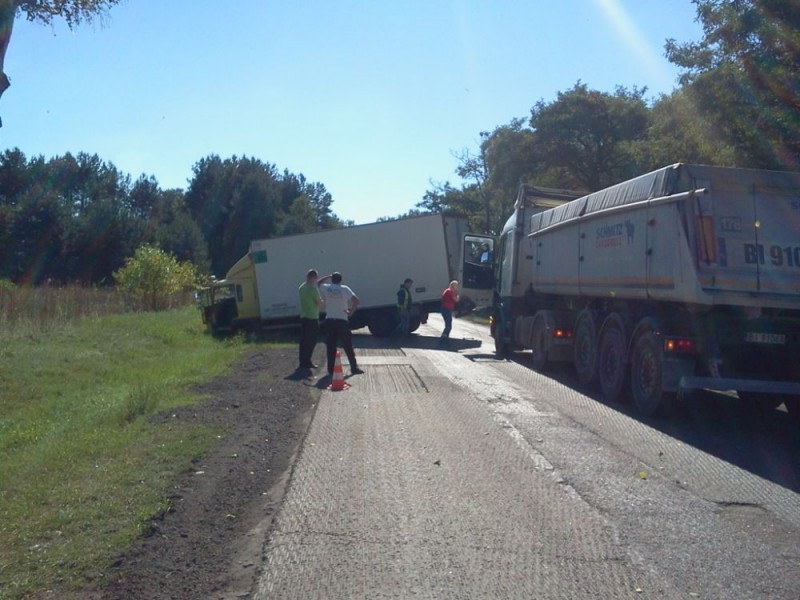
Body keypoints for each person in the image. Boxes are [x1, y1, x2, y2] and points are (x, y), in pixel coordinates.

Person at [318, 272, 363, 376]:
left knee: (331, 346)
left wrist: (328, 276)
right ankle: (354, 367)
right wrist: (350, 312)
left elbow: (318, 283)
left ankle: (331, 370)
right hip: (342, 320)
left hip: (330, 320)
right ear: (340, 280)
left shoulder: (327, 288)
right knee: (347, 345)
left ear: (332, 279)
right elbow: (356, 300)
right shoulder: (344, 289)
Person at [297, 268, 323, 370]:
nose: (316, 280)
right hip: (312, 316)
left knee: (303, 341)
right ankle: (307, 362)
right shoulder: (313, 288)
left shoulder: (301, 287)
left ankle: (302, 361)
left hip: (303, 316)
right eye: (316, 278)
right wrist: (321, 301)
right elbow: (318, 303)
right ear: (313, 277)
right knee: (311, 341)